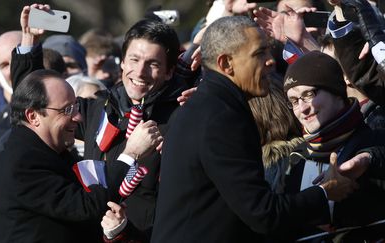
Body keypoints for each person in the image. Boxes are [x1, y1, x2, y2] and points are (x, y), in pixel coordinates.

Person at [151, 16, 356, 243]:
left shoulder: (207, 107)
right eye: (259, 54)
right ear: (226, 64)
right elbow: (262, 213)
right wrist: (325, 193)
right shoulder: (220, 117)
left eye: (268, 51)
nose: (270, 61)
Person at [10, 6, 197, 239]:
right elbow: (34, 104)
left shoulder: (186, 117)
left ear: (169, 71)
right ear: (122, 63)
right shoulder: (99, 109)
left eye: (153, 64)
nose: (140, 72)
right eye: (134, 59)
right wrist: (30, 42)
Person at [283, 51, 385, 240]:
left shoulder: (375, 140)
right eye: (294, 101)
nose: (303, 108)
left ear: (337, 93)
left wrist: (366, 161)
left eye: (309, 94)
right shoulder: (296, 158)